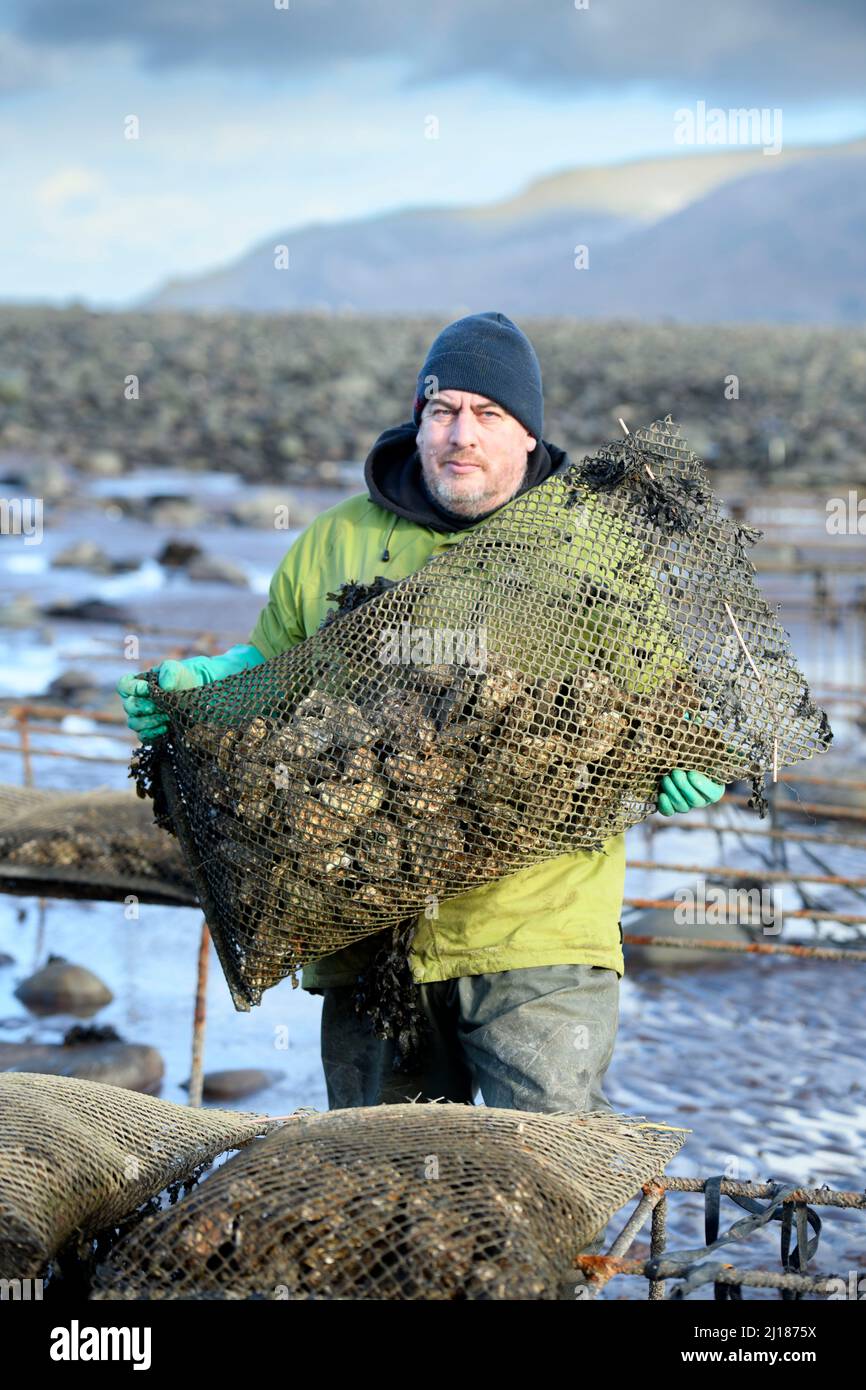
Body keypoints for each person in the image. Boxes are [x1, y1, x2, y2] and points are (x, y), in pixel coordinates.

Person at [117, 310, 724, 1118]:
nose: (461, 434)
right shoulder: (336, 541)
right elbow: (274, 677)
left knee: (543, 1171)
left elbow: (671, 700)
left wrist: (698, 760)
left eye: (489, 414)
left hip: (535, 930)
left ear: (528, 436)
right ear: (418, 420)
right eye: (442, 412)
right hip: (368, 932)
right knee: (383, 1189)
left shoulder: (590, 549)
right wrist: (209, 685)